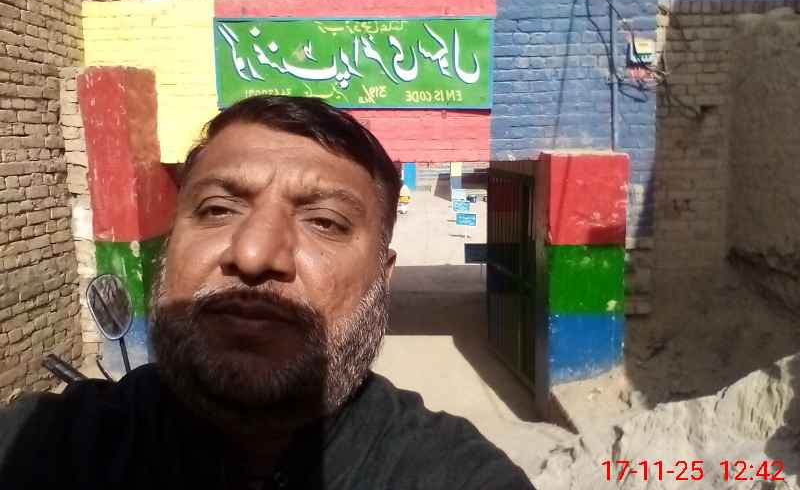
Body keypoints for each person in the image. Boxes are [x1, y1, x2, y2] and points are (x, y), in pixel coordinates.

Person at [0, 96, 534, 489]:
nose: (254, 255)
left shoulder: (454, 474)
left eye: (325, 221)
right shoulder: (38, 447)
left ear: (383, 276)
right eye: (217, 209)